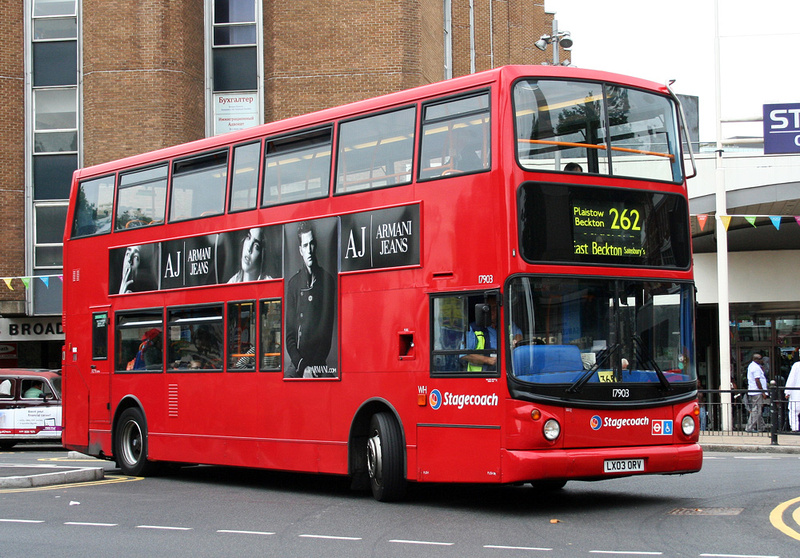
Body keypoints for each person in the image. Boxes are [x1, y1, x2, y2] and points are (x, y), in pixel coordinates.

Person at [285, 222, 335, 378]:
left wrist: (314, 367)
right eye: (305, 245)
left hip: (319, 361)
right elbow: (290, 336)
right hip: (298, 361)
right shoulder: (293, 284)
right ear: (300, 250)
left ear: (316, 246)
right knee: (286, 384)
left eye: (312, 244)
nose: (309, 250)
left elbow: (326, 333)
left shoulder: (327, 281)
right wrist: (302, 366)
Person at [460, 296, 521, 372]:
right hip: (481, 377)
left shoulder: (506, 324)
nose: (492, 311)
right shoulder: (473, 328)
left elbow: (518, 334)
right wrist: (488, 360)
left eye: (495, 308)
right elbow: (464, 355)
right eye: (489, 308)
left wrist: (516, 341)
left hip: (507, 371)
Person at [746, 353, 768, 432]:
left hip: (754, 391)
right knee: (756, 410)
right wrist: (763, 392)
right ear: (756, 359)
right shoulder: (755, 368)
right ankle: (749, 427)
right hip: (757, 391)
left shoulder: (753, 366)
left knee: (758, 409)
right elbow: (757, 380)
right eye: (760, 358)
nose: (762, 360)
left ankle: (761, 427)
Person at [785, 359, 800, 432]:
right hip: (796, 393)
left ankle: (795, 428)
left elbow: (792, 379)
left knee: (793, 411)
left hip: (796, 393)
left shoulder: (796, 365)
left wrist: (787, 392)